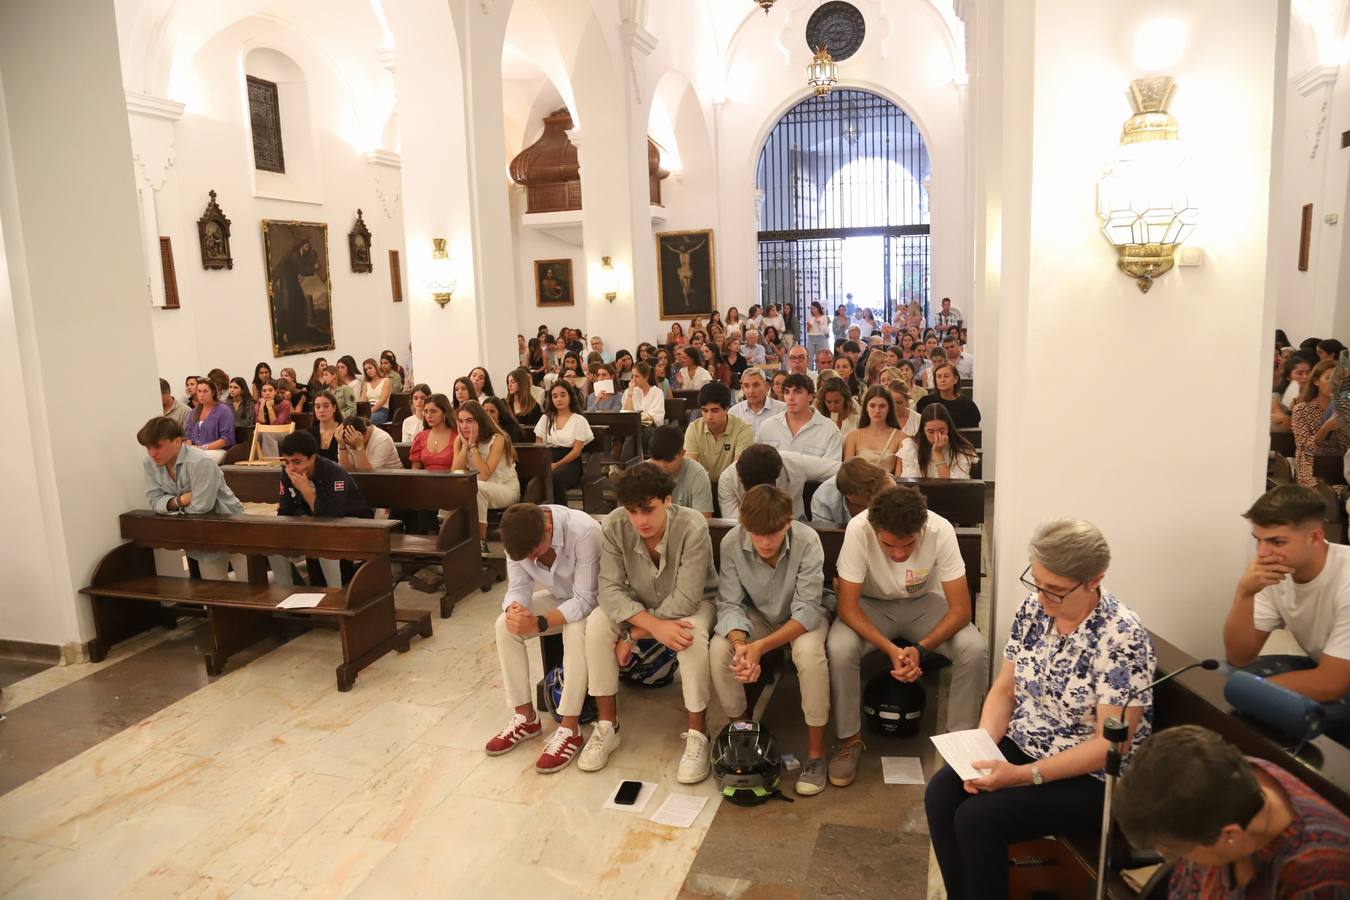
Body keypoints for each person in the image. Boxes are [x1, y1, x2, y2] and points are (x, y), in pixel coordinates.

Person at [924, 518, 1154, 900]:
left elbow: (1109, 746)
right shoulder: (1034, 609)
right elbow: (1004, 690)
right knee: (942, 793)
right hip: (1027, 745)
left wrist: (1016, 776)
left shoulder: (1121, 636)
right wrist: (981, 750)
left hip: (1092, 778)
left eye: (1057, 591)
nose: (1043, 598)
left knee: (978, 819)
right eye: (1038, 582)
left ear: (1094, 580)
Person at [827, 486, 989, 786]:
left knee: (974, 647)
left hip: (925, 604)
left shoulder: (939, 530)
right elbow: (847, 607)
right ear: (875, 530)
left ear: (921, 528)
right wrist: (891, 649)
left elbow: (961, 610)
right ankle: (849, 740)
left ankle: (960, 745)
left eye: (908, 544)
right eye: (889, 545)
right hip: (870, 606)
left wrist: (921, 648)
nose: (899, 554)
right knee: (839, 647)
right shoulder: (858, 529)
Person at [578, 464, 720, 781]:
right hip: (640, 602)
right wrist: (651, 626)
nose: (640, 520)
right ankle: (606, 725)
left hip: (696, 603)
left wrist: (636, 633)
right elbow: (609, 590)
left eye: (648, 510)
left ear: (668, 501)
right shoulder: (615, 525)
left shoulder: (693, 526)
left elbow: (687, 598)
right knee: (598, 623)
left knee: (690, 634)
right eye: (632, 511)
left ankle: (698, 734)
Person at [1113, 725, 1350, 898]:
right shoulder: (1221, 778)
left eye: (1175, 851)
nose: (1171, 859)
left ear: (1230, 836)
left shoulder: (1318, 875)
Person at [710, 484, 830, 795]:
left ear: (788, 522)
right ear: (744, 525)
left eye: (772, 533)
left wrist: (759, 648)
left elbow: (806, 611)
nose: (764, 541)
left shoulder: (807, 540)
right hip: (758, 616)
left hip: (801, 619)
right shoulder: (731, 542)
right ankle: (743, 731)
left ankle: (816, 754)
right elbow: (730, 603)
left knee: (809, 653)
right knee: (720, 648)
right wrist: (741, 647)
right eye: (756, 533)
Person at [1223, 485, 1350, 739]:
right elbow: (1239, 656)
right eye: (1258, 540)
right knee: (1231, 678)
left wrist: (1253, 692)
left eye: (1276, 541)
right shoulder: (1277, 569)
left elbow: (1331, 684)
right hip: (1326, 665)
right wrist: (1244, 594)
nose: (1262, 553)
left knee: (1252, 702)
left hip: (1339, 678)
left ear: (1314, 537)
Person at [487, 502, 602, 773]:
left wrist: (539, 622)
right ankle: (525, 716)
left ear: (548, 529)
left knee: (575, 630)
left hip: (597, 605)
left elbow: (585, 600)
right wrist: (515, 610)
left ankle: (570, 727)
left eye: (536, 554)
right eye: (524, 558)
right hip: (559, 598)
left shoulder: (584, 531)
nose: (532, 561)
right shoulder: (516, 536)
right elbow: (518, 587)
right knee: (504, 625)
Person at [138, 415, 247, 580]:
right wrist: (181, 500)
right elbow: (154, 500)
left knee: (249, 586)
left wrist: (170, 505)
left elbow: (202, 506)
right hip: (199, 533)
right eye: (148, 448)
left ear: (177, 441)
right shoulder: (149, 463)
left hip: (231, 525)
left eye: (158, 446)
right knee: (214, 591)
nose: (152, 453)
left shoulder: (200, 461)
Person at [272, 430, 373, 588]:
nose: (291, 468)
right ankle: (286, 589)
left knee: (323, 538)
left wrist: (306, 491)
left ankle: (335, 593)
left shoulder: (333, 472)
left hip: (354, 524)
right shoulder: (287, 473)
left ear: (312, 458)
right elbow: (285, 510)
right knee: (273, 539)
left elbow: (332, 517)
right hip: (316, 526)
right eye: (286, 462)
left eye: (297, 462)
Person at [453, 400, 520, 554]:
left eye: (469, 421)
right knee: (452, 489)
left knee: (478, 488)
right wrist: (464, 446)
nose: (464, 426)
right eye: (461, 421)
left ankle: (480, 543)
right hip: (477, 489)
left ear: (479, 420)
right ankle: (452, 541)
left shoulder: (498, 439)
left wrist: (473, 446)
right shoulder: (459, 440)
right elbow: (455, 472)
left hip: (505, 488)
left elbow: (484, 475)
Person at [718, 443, 840, 521]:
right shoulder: (728, 479)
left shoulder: (793, 463)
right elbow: (733, 523)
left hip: (796, 529)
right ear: (740, 479)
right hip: (748, 533)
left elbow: (841, 469)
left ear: (779, 472)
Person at [1292, 360, 1349, 498]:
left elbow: (1345, 446)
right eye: (1328, 378)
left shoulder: (1344, 409)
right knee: (1330, 490)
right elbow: (1305, 447)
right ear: (1316, 381)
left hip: (1339, 463)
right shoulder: (1301, 409)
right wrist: (1325, 428)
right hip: (1311, 465)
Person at [757, 373, 844, 460]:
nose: (791, 398)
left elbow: (832, 470)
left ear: (810, 396)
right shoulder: (767, 426)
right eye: (787, 392)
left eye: (797, 392)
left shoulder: (829, 429)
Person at [683, 381, 753, 485]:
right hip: (702, 484)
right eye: (705, 411)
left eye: (715, 411)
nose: (709, 417)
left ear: (726, 409)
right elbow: (691, 468)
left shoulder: (743, 429)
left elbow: (738, 471)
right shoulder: (694, 428)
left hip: (732, 485)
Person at [535, 382, 594, 501]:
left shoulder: (579, 420)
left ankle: (561, 512)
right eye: (555, 396)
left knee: (555, 477)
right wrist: (545, 464)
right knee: (531, 477)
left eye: (563, 395)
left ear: (570, 397)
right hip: (548, 458)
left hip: (570, 462)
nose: (559, 399)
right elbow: (538, 446)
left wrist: (556, 465)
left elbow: (576, 451)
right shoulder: (545, 418)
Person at [898, 404, 979, 479]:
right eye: (930, 432)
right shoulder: (912, 447)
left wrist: (938, 453)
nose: (936, 437)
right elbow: (910, 482)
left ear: (948, 428)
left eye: (941, 430)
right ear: (923, 431)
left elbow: (957, 486)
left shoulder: (962, 449)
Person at [810, 457, 894, 528]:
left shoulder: (887, 485)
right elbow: (825, 536)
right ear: (849, 495)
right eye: (867, 497)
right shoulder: (824, 497)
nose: (872, 499)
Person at [649, 424, 713, 517]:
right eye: (657, 459)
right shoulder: (641, 474)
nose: (662, 466)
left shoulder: (697, 475)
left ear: (682, 454)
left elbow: (703, 521)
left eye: (669, 460)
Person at [844, 385, 906, 474]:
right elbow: (848, 474)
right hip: (858, 487)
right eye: (872, 406)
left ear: (889, 408)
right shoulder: (852, 437)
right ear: (866, 407)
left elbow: (899, 478)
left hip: (889, 486)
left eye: (882, 406)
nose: (877, 411)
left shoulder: (901, 438)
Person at [183, 379, 235, 462]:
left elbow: (227, 439)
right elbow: (189, 435)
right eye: (199, 391)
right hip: (197, 450)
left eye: (205, 391)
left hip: (218, 450)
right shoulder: (194, 412)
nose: (201, 395)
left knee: (199, 459)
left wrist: (203, 447)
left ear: (213, 393)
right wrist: (189, 448)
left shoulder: (224, 410)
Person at [917, 363, 982, 428]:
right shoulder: (925, 402)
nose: (942, 380)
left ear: (955, 379)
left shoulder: (968, 405)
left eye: (946, 376)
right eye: (939, 377)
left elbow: (972, 433)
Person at [728, 368, 786, 435]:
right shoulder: (734, 413)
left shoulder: (782, 410)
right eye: (746, 386)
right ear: (743, 388)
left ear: (766, 387)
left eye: (756, 385)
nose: (751, 391)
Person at [410, 393, 456, 472]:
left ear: (444, 413)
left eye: (433, 411)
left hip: (450, 481)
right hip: (426, 482)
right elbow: (415, 470)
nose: (428, 415)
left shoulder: (456, 436)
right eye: (426, 411)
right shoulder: (421, 437)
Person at [337, 416, 402, 471]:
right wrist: (342, 446)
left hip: (392, 479)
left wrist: (358, 447)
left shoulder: (383, 439)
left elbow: (368, 474)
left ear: (363, 435)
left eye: (351, 444)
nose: (350, 446)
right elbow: (346, 470)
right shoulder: (345, 438)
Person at [309, 389, 343, 461]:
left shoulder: (343, 430)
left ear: (334, 408)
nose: (321, 410)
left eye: (326, 406)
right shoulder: (309, 433)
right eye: (318, 407)